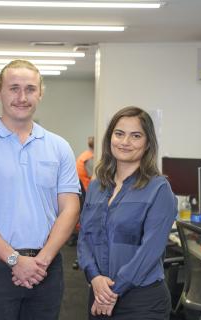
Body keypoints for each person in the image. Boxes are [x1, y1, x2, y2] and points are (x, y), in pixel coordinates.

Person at [0, 59, 80, 320]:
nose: (22, 97)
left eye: (30, 89)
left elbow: (69, 208)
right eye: (14, 88)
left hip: (46, 267)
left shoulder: (59, 147)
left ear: (41, 93)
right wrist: (14, 260)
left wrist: (42, 260)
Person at [77, 106, 177, 319]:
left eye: (136, 136)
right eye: (119, 134)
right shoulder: (97, 186)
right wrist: (94, 277)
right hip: (97, 293)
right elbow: (84, 238)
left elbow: (150, 251)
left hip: (141, 301)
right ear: (110, 138)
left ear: (148, 142)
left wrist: (112, 291)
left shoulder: (158, 189)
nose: (125, 142)